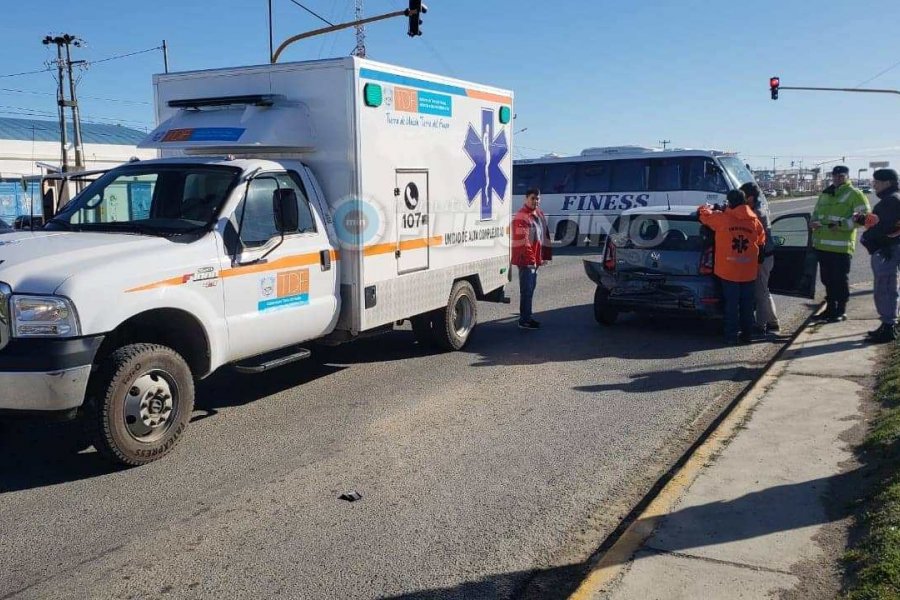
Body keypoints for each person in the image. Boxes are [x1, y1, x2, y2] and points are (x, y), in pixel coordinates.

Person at [699, 190, 767, 344]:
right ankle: (747, 335)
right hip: (748, 271)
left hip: (728, 271)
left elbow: (703, 216)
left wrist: (707, 207)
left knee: (731, 305)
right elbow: (762, 242)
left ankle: (731, 336)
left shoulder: (722, 218)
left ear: (729, 202)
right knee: (747, 304)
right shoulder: (754, 221)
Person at [811, 165, 871, 322]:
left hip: (841, 246)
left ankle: (841, 311)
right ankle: (830, 309)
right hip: (822, 246)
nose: (837, 178)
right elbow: (816, 213)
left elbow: (863, 217)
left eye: (841, 176)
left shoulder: (854, 194)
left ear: (847, 177)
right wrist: (813, 222)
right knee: (827, 280)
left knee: (839, 280)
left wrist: (841, 225)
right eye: (835, 176)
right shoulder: (825, 194)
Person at [861, 169, 900, 343]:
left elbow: (883, 228)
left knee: (885, 288)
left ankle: (888, 326)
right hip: (889, 249)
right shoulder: (893, 199)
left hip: (887, 251)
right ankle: (889, 323)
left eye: (876, 182)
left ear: (887, 182)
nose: (874, 185)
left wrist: (866, 237)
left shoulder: (890, 201)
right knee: (889, 287)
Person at [740, 182, 780, 333]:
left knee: (760, 292)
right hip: (762, 256)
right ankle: (772, 322)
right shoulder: (754, 208)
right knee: (763, 290)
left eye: (743, 195)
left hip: (762, 257)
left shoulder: (757, 212)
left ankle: (761, 325)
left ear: (750, 197)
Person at [511, 188, 552, 329]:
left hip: (534, 260)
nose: (535, 201)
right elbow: (523, 241)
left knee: (531, 289)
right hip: (526, 261)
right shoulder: (522, 216)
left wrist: (543, 256)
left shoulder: (538, 213)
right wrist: (531, 261)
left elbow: (544, 236)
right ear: (526, 199)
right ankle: (524, 320)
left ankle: (527, 316)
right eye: (532, 198)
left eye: (537, 198)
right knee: (527, 290)